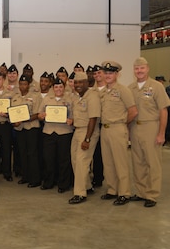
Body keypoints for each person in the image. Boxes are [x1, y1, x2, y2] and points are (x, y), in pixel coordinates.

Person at [128, 57, 170, 207]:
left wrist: (161, 133)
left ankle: (152, 194)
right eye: (136, 68)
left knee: (153, 162)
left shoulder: (156, 87)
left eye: (142, 68)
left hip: (151, 126)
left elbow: (163, 111)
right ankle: (141, 192)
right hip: (134, 127)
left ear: (148, 69)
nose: (139, 71)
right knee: (137, 162)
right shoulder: (131, 88)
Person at [100, 61, 138, 206]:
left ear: (117, 74)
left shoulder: (123, 90)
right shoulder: (103, 92)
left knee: (120, 162)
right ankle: (112, 189)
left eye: (111, 73)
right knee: (108, 162)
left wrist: (122, 123)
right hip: (105, 129)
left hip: (117, 128)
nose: (108, 75)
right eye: (106, 73)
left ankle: (124, 193)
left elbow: (133, 111)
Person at [68, 72, 101, 204]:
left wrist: (87, 139)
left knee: (82, 162)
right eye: (76, 83)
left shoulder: (92, 96)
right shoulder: (77, 97)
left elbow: (93, 118)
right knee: (75, 160)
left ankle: (80, 193)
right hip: (77, 130)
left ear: (87, 83)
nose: (78, 85)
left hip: (88, 132)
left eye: (81, 82)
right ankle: (87, 186)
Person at [38, 77, 73, 193]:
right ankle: (48, 182)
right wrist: (41, 116)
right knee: (48, 159)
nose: (58, 89)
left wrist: (71, 121)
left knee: (64, 160)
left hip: (64, 132)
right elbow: (39, 114)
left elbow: (74, 116)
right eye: (56, 87)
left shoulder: (70, 100)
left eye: (61, 87)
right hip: (49, 132)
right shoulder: (47, 99)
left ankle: (63, 184)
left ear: (64, 88)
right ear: (53, 88)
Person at [11, 75, 41, 187]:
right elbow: (13, 113)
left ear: (28, 85)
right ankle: (25, 176)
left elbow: (37, 114)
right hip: (19, 129)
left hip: (31, 128)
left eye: (25, 84)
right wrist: (13, 121)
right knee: (22, 153)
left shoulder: (35, 96)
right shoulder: (15, 96)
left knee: (32, 154)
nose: (23, 86)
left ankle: (35, 179)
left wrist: (22, 120)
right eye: (21, 84)